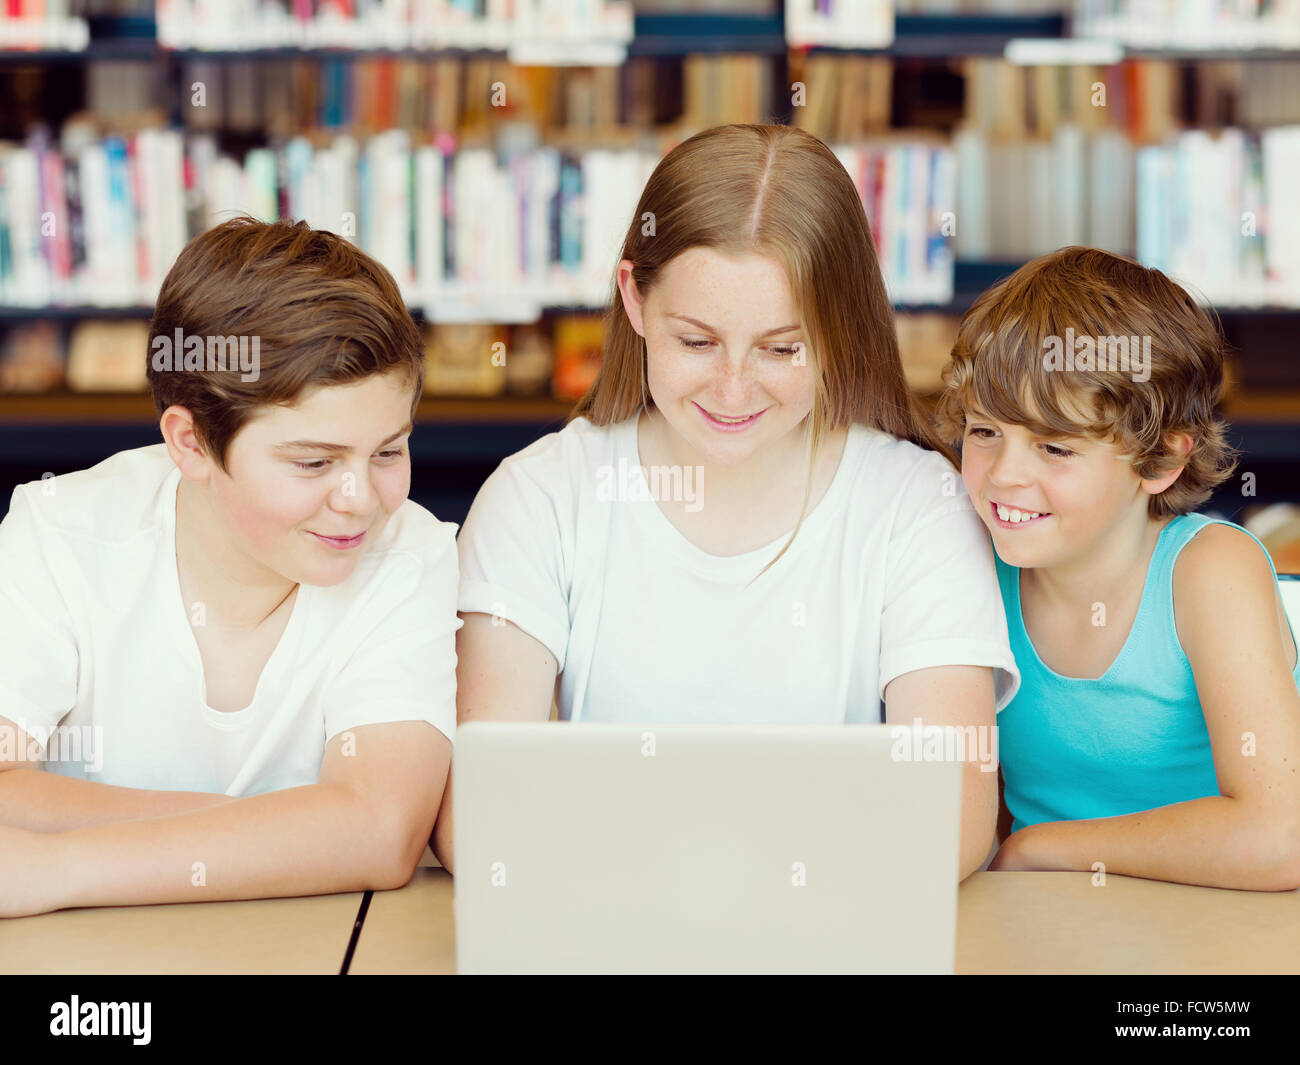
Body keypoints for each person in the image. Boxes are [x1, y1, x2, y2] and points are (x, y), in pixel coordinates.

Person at [435, 123, 1020, 878]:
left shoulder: (918, 506)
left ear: (839, 331)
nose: (735, 389)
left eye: (782, 347)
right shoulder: (541, 496)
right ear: (634, 300)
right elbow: (483, 815)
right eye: (697, 342)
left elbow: (952, 820)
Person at [0, 218, 459, 918]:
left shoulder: (410, 555)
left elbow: (379, 830)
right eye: (314, 461)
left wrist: (56, 867)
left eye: (389, 451)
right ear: (191, 444)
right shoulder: (58, 533)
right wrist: (292, 832)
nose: (362, 498)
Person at [935, 246, 1300, 891]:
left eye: (1053, 446)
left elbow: (1280, 840)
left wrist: (1043, 848)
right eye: (985, 430)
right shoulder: (971, 564)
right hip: (1046, 926)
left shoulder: (1210, 571)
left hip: (1213, 931)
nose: (1004, 475)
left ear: (1158, 462)